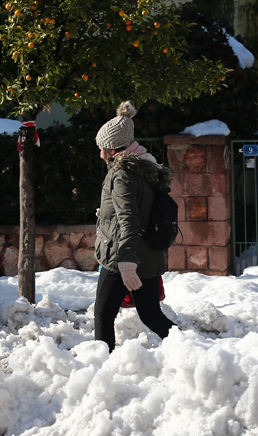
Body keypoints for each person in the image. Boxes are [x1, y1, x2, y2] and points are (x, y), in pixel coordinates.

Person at [93, 101, 176, 351]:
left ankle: (100, 364)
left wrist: (127, 262)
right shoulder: (146, 166)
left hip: (124, 256)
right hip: (148, 254)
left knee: (103, 313)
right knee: (151, 315)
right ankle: (192, 348)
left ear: (110, 148)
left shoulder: (121, 173)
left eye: (101, 148)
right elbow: (141, 207)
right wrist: (106, 212)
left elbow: (128, 218)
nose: (99, 154)